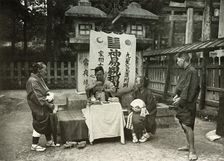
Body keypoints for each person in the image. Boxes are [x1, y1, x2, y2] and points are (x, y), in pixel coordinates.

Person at [26, 62, 59, 152]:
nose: (46, 71)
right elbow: (38, 98)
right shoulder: (32, 81)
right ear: (39, 70)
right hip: (38, 106)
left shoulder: (39, 78)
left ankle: (49, 141)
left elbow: (45, 89)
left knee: (47, 122)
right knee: (40, 123)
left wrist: (49, 94)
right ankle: (34, 144)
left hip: (44, 104)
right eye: (45, 69)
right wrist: (50, 105)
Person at [173, 53, 200, 161]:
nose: (177, 62)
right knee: (183, 124)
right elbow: (182, 86)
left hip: (188, 103)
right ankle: (188, 145)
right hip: (182, 101)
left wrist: (181, 99)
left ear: (184, 59)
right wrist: (177, 95)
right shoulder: (185, 71)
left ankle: (192, 151)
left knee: (187, 125)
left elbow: (192, 89)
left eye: (178, 60)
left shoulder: (192, 71)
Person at [130, 76, 157, 143]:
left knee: (137, 118)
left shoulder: (148, 93)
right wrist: (133, 108)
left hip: (147, 112)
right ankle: (134, 134)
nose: (135, 83)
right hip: (137, 111)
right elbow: (133, 102)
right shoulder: (136, 92)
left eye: (137, 82)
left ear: (142, 83)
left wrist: (142, 110)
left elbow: (151, 105)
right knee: (130, 116)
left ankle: (144, 134)